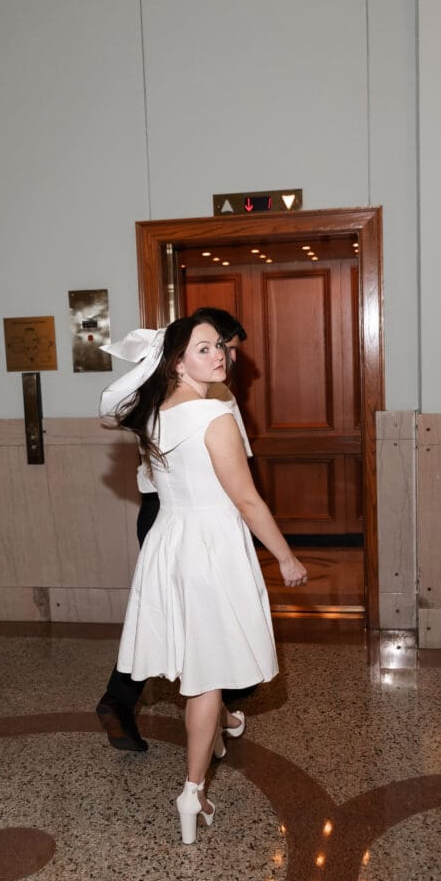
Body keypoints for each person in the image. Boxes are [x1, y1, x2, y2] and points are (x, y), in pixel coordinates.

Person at [102, 314, 307, 843]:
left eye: (218, 346)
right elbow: (245, 499)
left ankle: (212, 746)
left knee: (196, 664)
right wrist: (285, 556)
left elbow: (151, 483)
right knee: (209, 674)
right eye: (203, 348)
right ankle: (192, 791)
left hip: (169, 541)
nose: (218, 354)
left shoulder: (151, 414)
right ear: (176, 360)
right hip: (211, 546)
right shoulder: (214, 414)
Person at [96, 308, 251, 753]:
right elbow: (236, 475)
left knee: (165, 612)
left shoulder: (158, 394)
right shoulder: (213, 398)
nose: (231, 358)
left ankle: (128, 700)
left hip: (159, 513)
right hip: (202, 517)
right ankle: (212, 709)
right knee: (202, 623)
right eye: (227, 347)